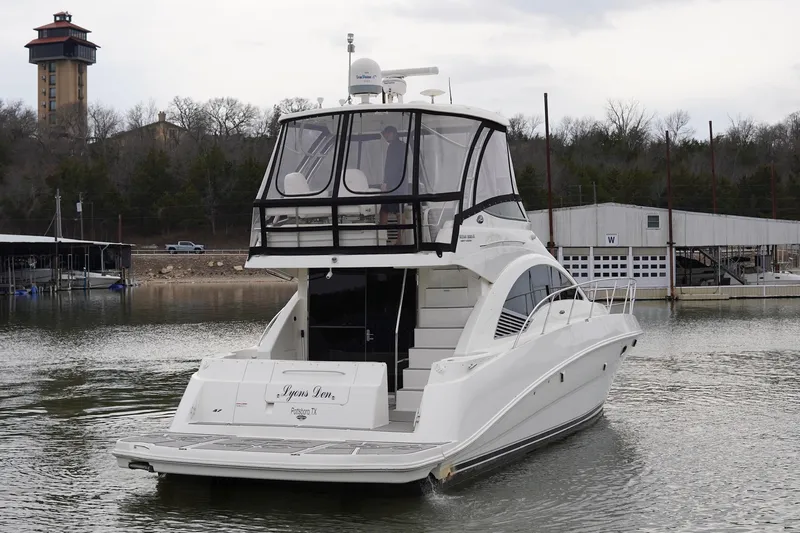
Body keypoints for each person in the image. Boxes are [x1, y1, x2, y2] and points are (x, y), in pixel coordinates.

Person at [379, 126, 408, 242]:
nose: (385, 137)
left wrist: (387, 183)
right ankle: (399, 240)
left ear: (392, 133)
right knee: (399, 211)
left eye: (386, 134)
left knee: (384, 211)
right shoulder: (402, 146)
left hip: (394, 186)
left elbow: (392, 167)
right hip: (401, 186)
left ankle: (382, 239)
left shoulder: (394, 147)